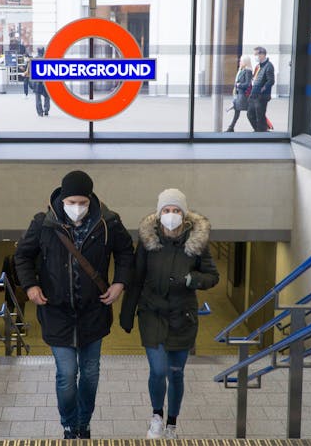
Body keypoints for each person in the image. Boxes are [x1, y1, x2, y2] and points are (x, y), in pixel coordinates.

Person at [14, 170, 134, 439]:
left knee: (90, 375)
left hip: (94, 312)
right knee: (67, 375)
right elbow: (22, 256)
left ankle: (83, 423)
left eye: (82, 202)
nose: (77, 208)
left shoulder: (108, 222)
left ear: (90, 199)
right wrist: (30, 285)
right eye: (72, 202)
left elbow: (126, 252)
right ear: (62, 199)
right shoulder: (44, 223)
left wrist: (119, 283)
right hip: (57, 313)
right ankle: (69, 423)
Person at [120, 188, 219, 439]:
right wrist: (127, 312)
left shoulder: (197, 243)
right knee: (159, 370)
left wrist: (192, 279)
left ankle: (172, 423)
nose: (171, 215)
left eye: (176, 210)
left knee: (176, 372)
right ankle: (156, 416)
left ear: (184, 215)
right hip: (152, 314)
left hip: (182, 317)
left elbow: (212, 276)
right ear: (159, 213)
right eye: (166, 210)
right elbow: (137, 276)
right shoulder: (148, 242)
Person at [247, 46, 275, 132]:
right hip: (253, 94)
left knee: (260, 116)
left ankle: (261, 133)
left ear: (262, 54)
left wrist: (262, 90)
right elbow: (254, 78)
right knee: (250, 114)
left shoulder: (269, 66)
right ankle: (259, 130)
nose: (255, 56)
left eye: (256, 54)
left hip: (261, 96)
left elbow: (271, 81)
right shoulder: (258, 66)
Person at [227, 55, 253, 132]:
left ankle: (258, 127)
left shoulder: (248, 71)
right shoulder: (241, 70)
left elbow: (247, 84)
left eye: (241, 61)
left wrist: (239, 85)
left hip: (243, 96)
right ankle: (231, 127)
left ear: (245, 62)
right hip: (239, 94)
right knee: (237, 111)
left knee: (249, 112)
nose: (240, 62)